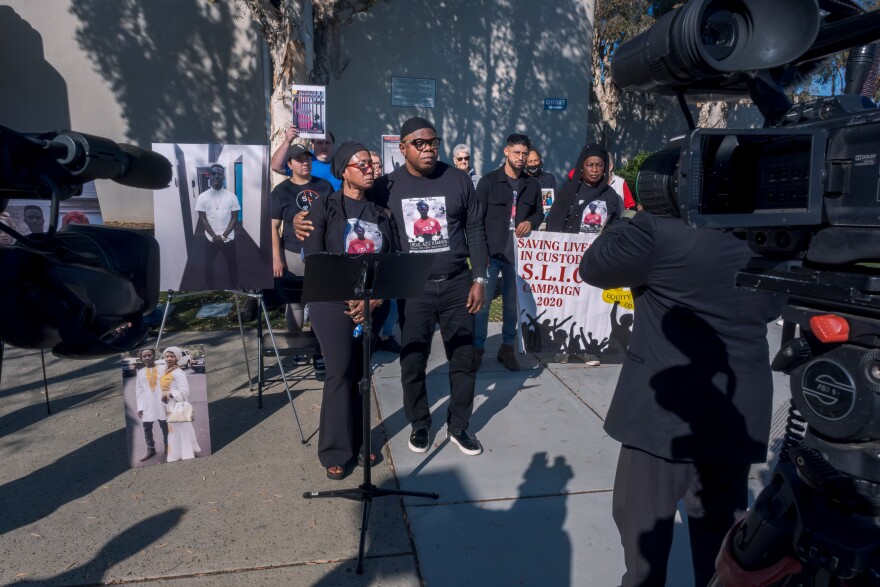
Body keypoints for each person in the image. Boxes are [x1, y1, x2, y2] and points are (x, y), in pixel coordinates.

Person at [579, 210, 779, 587]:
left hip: (663, 414)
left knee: (643, 535)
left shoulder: (657, 233)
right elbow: (773, 307)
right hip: (736, 410)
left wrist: (624, 221)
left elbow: (594, 267)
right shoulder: (771, 237)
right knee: (721, 541)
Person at [372, 117, 489, 456]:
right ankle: (421, 422)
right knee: (412, 361)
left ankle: (459, 426)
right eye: (419, 143)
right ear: (403, 147)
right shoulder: (387, 186)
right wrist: (301, 219)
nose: (428, 148)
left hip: (457, 285)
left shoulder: (457, 179)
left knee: (463, 359)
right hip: (413, 288)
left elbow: (476, 231)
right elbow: (349, 204)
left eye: (433, 141)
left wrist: (479, 278)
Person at [302, 142, 397, 480]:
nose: (370, 168)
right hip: (332, 303)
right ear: (344, 171)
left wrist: (375, 300)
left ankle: (359, 442)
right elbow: (314, 261)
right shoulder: (324, 208)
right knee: (339, 371)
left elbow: (392, 262)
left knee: (361, 373)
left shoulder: (381, 213)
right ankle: (335, 449)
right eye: (362, 164)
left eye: (372, 163)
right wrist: (349, 298)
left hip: (374, 304)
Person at [474, 133, 543, 371]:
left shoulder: (532, 184)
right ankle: (478, 348)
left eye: (525, 154)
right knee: (482, 305)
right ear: (506, 152)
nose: (521, 158)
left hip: (517, 257)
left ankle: (507, 348)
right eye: (517, 153)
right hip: (491, 255)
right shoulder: (488, 182)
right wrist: (478, 255)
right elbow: (475, 221)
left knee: (513, 306)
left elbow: (539, 212)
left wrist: (531, 222)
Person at [270, 143, 334, 335]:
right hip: (292, 252)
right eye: (299, 159)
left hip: (320, 253)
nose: (305, 163)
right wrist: (276, 258)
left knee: (319, 301)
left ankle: (317, 345)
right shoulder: (281, 191)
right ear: (289, 164)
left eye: (307, 158)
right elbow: (273, 227)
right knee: (295, 302)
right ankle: (296, 344)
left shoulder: (324, 186)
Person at [545, 143, 622, 234]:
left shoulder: (610, 194)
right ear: (582, 166)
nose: (594, 170)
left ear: (605, 167)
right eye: (590, 165)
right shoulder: (568, 190)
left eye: (599, 165)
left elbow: (615, 225)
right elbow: (553, 223)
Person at [194, 164, 240, 290]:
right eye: (213, 173)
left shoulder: (231, 196)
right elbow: (202, 218)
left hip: (228, 237)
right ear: (209, 176)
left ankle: (234, 284)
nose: (216, 177)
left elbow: (235, 217)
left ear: (223, 176)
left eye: (219, 174)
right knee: (208, 263)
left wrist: (224, 235)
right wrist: (214, 236)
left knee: (232, 263)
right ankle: (209, 285)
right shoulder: (203, 197)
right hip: (210, 238)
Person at [270, 126, 342, 191]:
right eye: (319, 143)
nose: (324, 146)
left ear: (333, 145)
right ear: (313, 145)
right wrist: (287, 141)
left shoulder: (342, 163)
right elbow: (276, 166)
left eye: (328, 143)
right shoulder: (304, 161)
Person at [161, 346, 201, 462]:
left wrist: (169, 394)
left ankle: (187, 455)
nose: (168, 358)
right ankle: (176, 454)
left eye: (171, 356)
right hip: (169, 405)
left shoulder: (178, 372)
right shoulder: (167, 371)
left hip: (178, 406)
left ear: (177, 358)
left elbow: (185, 391)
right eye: (167, 356)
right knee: (174, 432)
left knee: (182, 431)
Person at [134, 348, 168, 462]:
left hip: (161, 402)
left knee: (165, 425)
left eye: (149, 355)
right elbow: (139, 391)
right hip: (147, 404)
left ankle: (168, 445)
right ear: (142, 358)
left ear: (153, 355)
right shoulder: (140, 373)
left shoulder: (163, 368)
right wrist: (140, 407)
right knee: (147, 428)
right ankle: (150, 449)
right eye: (145, 356)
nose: (147, 357)